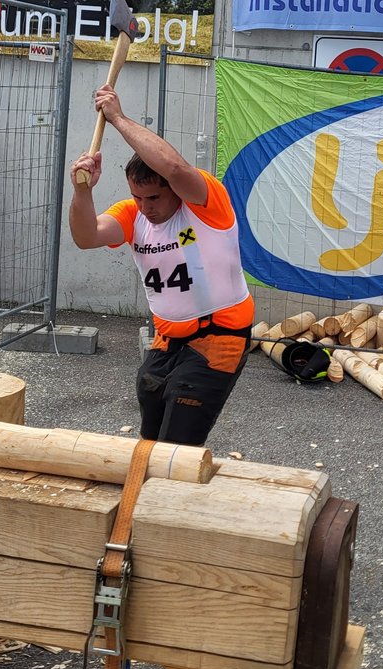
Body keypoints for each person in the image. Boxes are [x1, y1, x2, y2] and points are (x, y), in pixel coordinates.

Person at [69, 83, 254, 445]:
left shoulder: (206, 204)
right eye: (137, 197)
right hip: (167, 339)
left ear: (174, 189)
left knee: (177, 441)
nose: (145, 207)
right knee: (150, 430)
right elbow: (86, 236)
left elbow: (174, 167)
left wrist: (118, 118)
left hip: (219, 338)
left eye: (153, 197)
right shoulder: (132, 215)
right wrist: (82, 192)